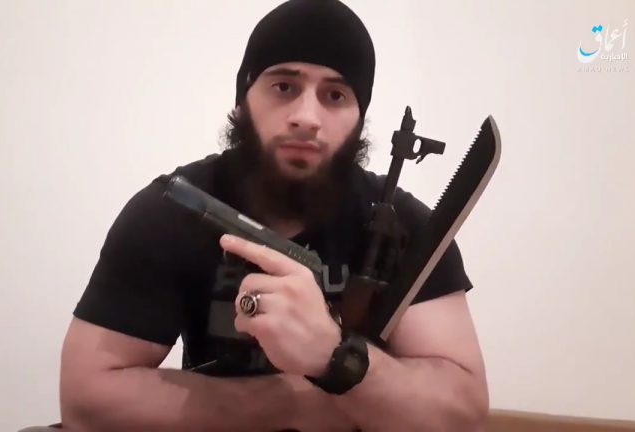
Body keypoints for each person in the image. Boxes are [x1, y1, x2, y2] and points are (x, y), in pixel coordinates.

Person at [59, 0, 489, 431]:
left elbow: (462, 416)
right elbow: (86, 402)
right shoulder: (174, 208)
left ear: (360, 118)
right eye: (284, 87)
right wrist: (292, 402)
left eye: (335, 95)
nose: (306, 117)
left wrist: (335, 357)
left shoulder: (407, 227)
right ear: (242, 100)